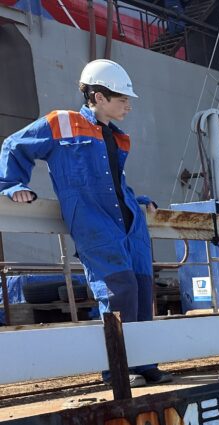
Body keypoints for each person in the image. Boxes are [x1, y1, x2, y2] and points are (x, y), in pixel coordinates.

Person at [0, 59, 170, 386]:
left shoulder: (119, 138)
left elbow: (116, 182)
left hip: (129, 222)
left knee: (142, 288)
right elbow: (13, 145)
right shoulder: (61, 123)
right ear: (98, 96)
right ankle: (117, 370)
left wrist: (138, 199)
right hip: (93, 222)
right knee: (118, 289)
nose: (128, 105)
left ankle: (144, 363)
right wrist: (13, 185)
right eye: (122, 98)